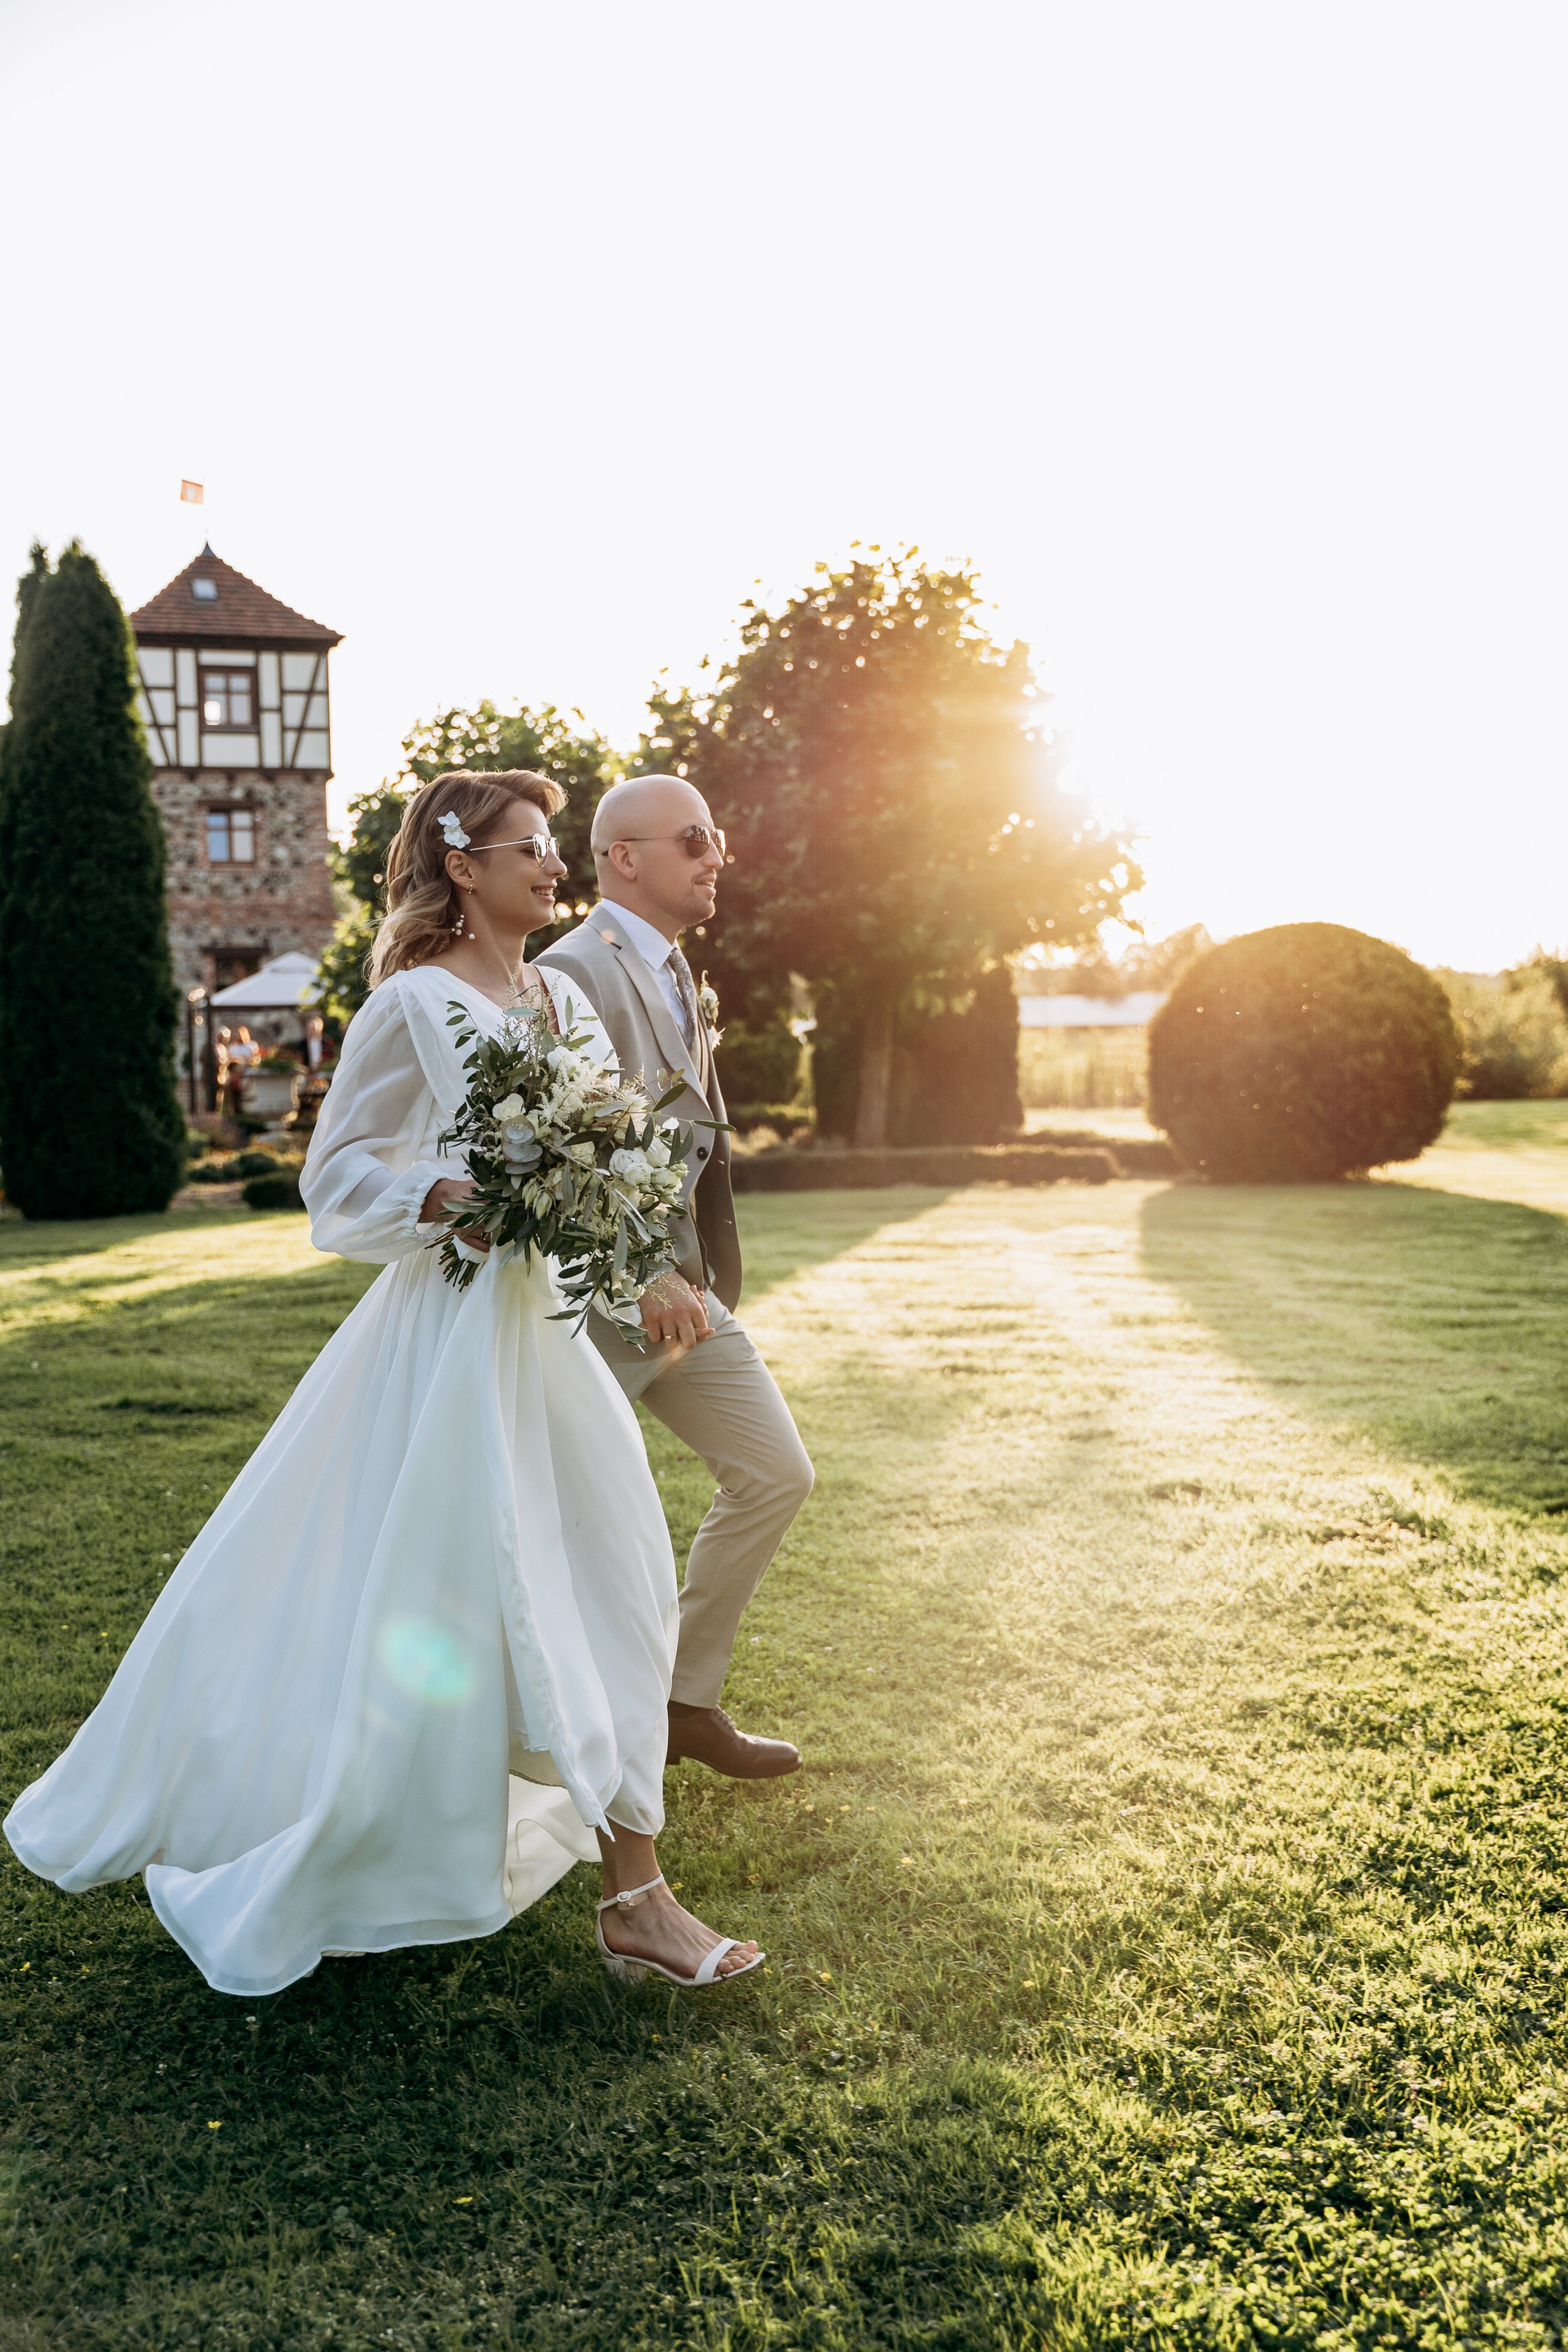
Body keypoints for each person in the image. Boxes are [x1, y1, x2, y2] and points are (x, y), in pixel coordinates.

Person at [3, 771, 762, 1998]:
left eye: (555, 848)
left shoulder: (564, 996)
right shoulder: (410, 1003)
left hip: (551, 1339)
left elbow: (603, 1165)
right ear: (463, 865)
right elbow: (337, 1176)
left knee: (622, 1583)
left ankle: (628, 1886)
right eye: (530, 847)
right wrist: (440, 1194)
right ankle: (618, 1896)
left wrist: (643, 1269)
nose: (553, 866)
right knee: (456, 1599)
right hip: (452, 1341)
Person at [537, 775, 814, 1777]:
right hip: (587, 1303)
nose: (716, 857)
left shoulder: (675, 968)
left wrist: (696, 1269)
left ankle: (682, 1705)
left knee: (776, 1472)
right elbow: (554, 1151)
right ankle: (517, 1741)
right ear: (624, 858)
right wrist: (639, 1272)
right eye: (694, 839)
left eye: (717, 837)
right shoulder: (569, 971)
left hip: (686, 1294)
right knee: (541, 1524)